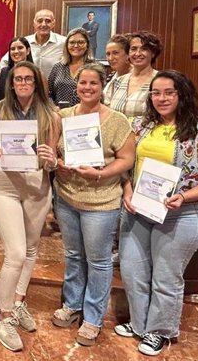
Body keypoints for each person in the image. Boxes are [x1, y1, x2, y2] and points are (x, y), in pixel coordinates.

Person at [115, 70, 198, 356]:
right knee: (133, 271)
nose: (161, 98)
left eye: (168, 92)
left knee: (166, 277)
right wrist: (127, 189)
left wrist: (184, 196)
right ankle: (140, 324)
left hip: (181, 215)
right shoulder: (139, 126)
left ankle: (159, 331)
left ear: (182, 95)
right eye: (156, 93)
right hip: (139, 210)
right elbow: (125, 164)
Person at [51, 63, 135, 346]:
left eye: (93, 84)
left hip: (101, 201)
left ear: (102, 86)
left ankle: (93, 317)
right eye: (82, 83)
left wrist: (100, 173)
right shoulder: (63, 115)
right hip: (67, 197)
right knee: (73, 254)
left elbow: (126, 159)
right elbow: (53, 151)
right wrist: (58, 165)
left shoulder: (117, 120)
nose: (87, 88)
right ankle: (73, 304)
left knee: (98, 261)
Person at [0, 61, 60, 351]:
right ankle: (3, 315)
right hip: (4, 182)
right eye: (18, 78)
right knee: (15, 252)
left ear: (37, 83)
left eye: (28, 78)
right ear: (11, 82)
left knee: (31, 249)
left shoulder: (52, 115)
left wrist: (51, 159)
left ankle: (18, 301)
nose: (23, 83)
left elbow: (52, 157)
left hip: (36, 183)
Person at [104, 31, 163, 118]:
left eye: (144, 49)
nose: (138, 53)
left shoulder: (161, 81)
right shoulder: (117, 82)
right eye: (133, 49)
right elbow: (106, 113)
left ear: (153, 53)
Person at [0, 9, 66, 78]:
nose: (43, 24)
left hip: (53, 88)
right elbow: (5, 61)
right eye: (40, 21)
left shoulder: (63, 42)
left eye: (48, 21)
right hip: (27, 86)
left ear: (53, 24)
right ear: (34, 24)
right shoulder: (24, 43)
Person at [48, 27, 95, 109]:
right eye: (72, 42)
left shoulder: (95, 68)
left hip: (87, 115)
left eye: (81, 42)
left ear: (87, 45)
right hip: (60, 115)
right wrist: (53, 107)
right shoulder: (58, 67)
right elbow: (48, 93)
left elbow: (100, 95)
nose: (76, 46)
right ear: (66, 45)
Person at [0, 37, 34, 101]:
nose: (16, 51)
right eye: (12, 49)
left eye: (20, 48)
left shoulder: (36, 73)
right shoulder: (2, 73)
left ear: (28, 51)